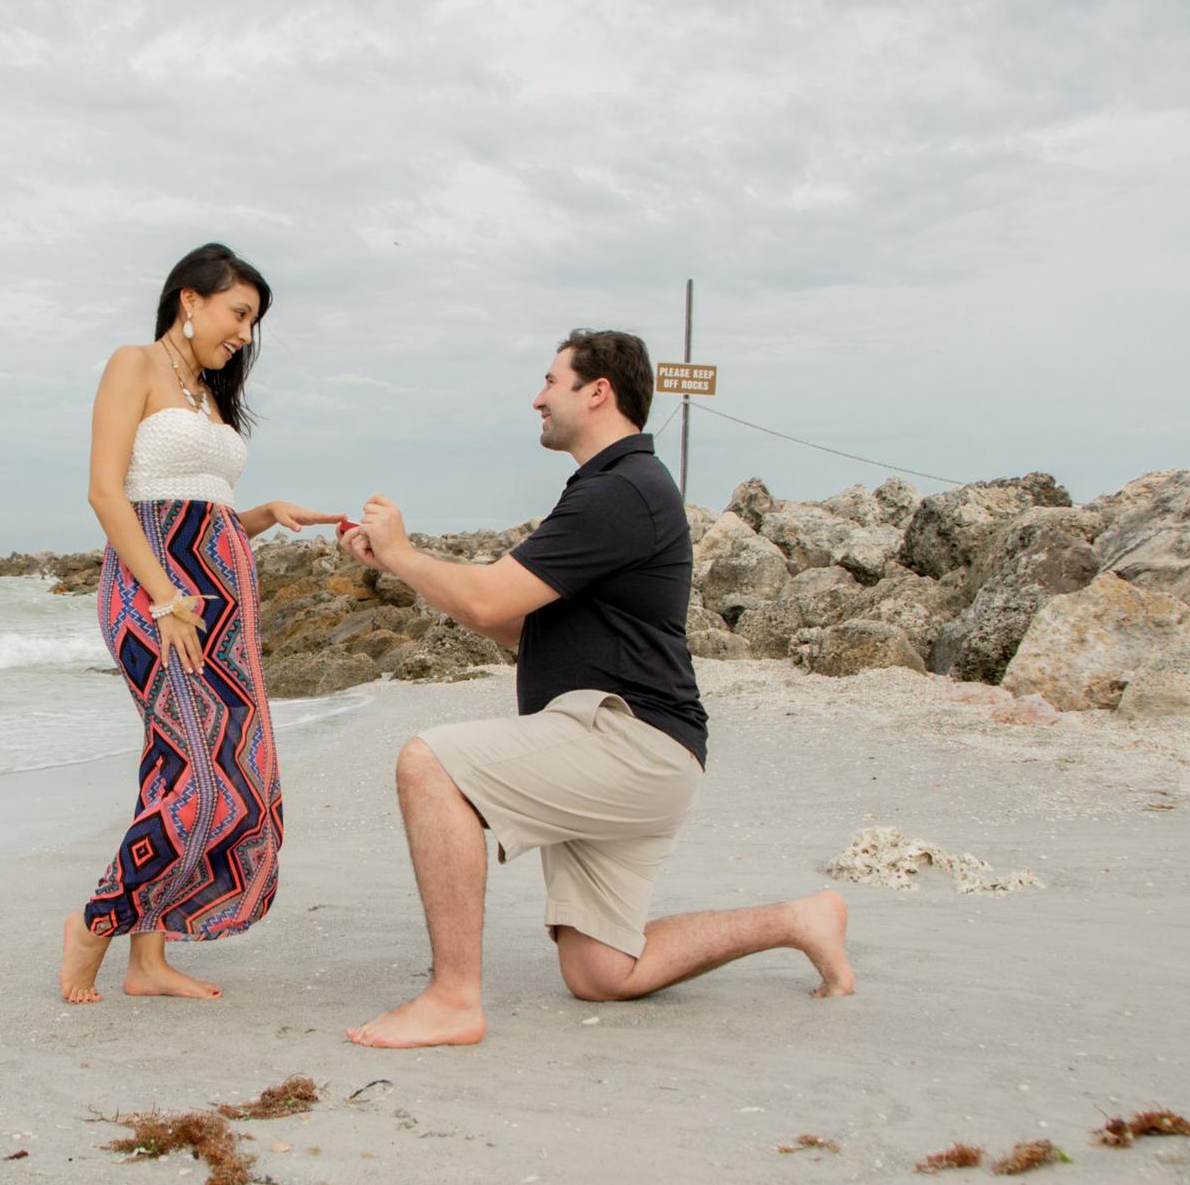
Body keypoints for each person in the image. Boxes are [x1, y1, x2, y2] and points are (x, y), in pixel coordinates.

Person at [338, 329, 854, 1048]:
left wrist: (401, 549)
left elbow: (489, 600)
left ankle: (453, 999)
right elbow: (518, 626)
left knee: (429, 764)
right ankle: (797, 920)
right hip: (642, 747)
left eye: (550, 381)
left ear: (597, 391)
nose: (537, 398)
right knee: (603, 971)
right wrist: (400, 567)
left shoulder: (621, 491)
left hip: (625, 738)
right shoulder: (616, 490)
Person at [58, 243, 343, 1004]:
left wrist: (261, 515)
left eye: (253, 323)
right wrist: (163, 598)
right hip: (160, 599)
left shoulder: (208, 395)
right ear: (191, 300)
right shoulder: (134, 365)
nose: (245, 334)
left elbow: (199, 511)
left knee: (218, 772)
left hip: (221, 602)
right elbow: (108, 495)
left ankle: (148, 959)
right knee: (201, 781)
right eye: (238, 314)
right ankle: (96, 923)